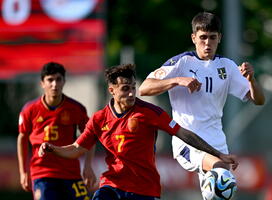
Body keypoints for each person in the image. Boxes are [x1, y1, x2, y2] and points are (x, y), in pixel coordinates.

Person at [38, 64, 238, 200]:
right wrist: (52, 149)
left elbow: (182, 133)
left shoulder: (150, 113)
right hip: (112, 185)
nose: (132, 93)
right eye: (125, 89)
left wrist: (218, 154)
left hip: (144, 188)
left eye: (133, 87)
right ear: (112, 90)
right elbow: (76, 148)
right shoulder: (99, 118)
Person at [139, 11, 265, 198]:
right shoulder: (181, 62)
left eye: (212, 38)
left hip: (216, 141)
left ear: (219, 38)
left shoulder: (227, 66)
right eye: (203, 37)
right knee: (221, 173)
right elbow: (144, 88)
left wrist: (252, 79)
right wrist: (178, 80)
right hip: (187, 141)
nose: (207, 43)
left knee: (222, 194)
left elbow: (259, 100)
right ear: (194, 37)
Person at [17, 62, 97, 200]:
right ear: (42, 83)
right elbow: (22, 138)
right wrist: (23, 171)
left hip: (70, 173)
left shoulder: (76, 109)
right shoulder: (30, 110)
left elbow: (90, 136)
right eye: (50, 80)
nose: (54, 84)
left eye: (58, 79)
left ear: (64, 81)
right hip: (43, 173)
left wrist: (88, 166)